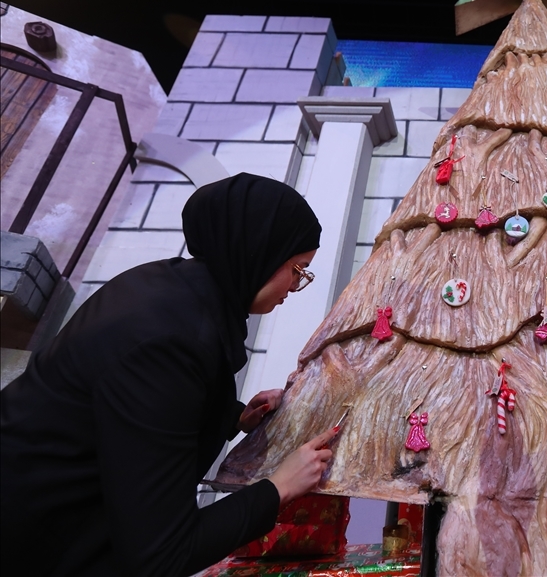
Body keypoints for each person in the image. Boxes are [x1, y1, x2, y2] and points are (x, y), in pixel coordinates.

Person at [1, 173, 337, 576]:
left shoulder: (170, 288)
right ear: (260, 251)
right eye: (298, 270)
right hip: (35, 543)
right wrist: (279, 487)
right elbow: (161, 555)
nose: (295, 286)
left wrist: (233, 416)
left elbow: (132, 416)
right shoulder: (167, 341)